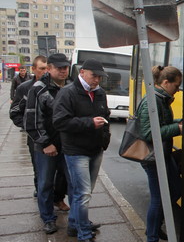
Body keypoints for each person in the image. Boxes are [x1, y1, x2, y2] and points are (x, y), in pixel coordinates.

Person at [53, 59, 111, 242]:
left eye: (100, 77)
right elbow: (60, 122)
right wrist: (89, 123)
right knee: (82, 193)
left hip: (95, 149)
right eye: (94, 76)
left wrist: (104, 137)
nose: (97, 80)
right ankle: (83, 232)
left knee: (85, 192)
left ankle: (75, 223)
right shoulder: (67, 92)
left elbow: (105, 114)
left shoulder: (100, 93)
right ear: (83, 72)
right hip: (76, 150)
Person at [24, 53, 73, 235]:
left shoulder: (70, 87)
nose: (63, 70)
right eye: (59, 67)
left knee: (73, 183)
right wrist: (46, 144)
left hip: (68, 146)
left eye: (65, 67)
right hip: (46, 147)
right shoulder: (38, 89)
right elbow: (32, 121)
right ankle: (48, 219)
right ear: (50, 68)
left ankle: (77, 220)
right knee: (45, 184)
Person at [138, 65, 183, 242]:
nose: (178, 90)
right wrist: (177, 129)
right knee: (158, 198)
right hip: (152, 157)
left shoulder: (161, 98)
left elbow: (163, 122)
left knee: (176, 189)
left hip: (162, 154)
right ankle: (152, 236)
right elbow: (149, 133)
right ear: (165, 82)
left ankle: (154, 226)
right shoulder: (153, 100)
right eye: (176, 86)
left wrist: (178, 122)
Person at [10, 56, 48, 198]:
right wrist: (29, 126)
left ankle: (56, 197)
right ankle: (41, 195)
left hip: (54, 136)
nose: (45, 72)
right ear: (33, 69)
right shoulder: (24, 88)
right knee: (39, 168)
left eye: (47, 68)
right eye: (42, 69)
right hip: (35, 137)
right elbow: (14, 112)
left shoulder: (55, 86)